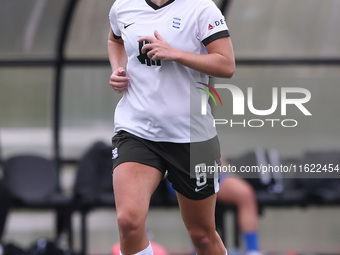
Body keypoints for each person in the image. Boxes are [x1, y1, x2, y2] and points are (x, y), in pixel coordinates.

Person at [108, 0, 235, 254]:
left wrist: (174, 52)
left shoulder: (201, 8)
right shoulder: (123, 6)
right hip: (136, 130)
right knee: (128, 222)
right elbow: (115, 40)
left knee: (202, 235)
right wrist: (118, 69)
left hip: (192, 137)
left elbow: (226, 65)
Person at [217, 156, 261, 255]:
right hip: (183, 176)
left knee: (245, 192)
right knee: (197, 195)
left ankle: (253, 251)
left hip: (215, 175)